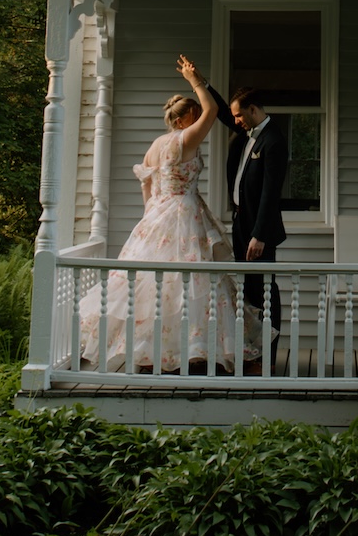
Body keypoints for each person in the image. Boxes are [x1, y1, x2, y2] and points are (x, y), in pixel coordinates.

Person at [79, 57, 259, 374]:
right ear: (182, 120)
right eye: (193, 115)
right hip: (185, 212)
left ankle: (160, 350)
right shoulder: (184, 139)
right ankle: (189, 351)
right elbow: (213, 111)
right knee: (190, 281)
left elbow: (146, 183)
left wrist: (152, 212)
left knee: (157, 283)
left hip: (158, 212)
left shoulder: (156, 145)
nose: (197, 120)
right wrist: (195, 80)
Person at [226, 86, 289, 361]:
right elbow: (221, 115)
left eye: (239, 115)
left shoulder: (273, 140)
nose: (236, 121)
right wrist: (201, 84)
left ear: (253, 109)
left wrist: (259, 235)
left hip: (258, 232)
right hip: (241, 223)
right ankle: (251, 353)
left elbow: (271, 193)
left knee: (264, 289)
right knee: (247, 290)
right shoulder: (247, 134)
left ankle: (269, 357)